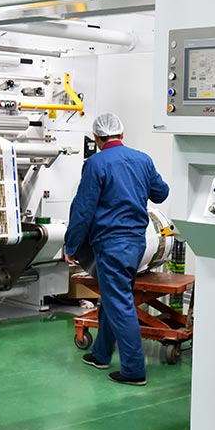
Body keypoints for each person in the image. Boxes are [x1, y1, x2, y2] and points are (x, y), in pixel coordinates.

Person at [64, 112, 169, 386]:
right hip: (136, 243)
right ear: (122, 134)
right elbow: (161, 193)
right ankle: (101, 354)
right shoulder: (143, 159)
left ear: (96, 138)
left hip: (111, 244)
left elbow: (83, 209)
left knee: (120, 303)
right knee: (113, 298)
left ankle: (133, 370)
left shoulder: (95, 163)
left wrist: (71, 245)